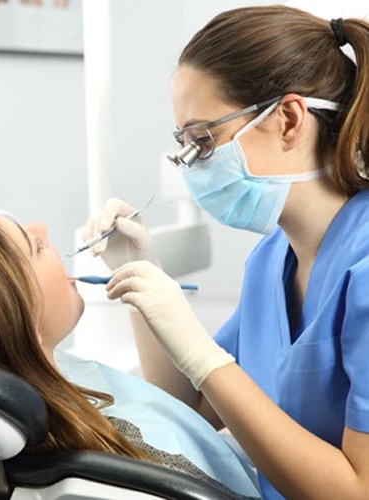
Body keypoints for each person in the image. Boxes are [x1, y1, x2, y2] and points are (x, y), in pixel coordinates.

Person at [81, 5, 369, 499]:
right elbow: (191, 402)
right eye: (184, 145)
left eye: (203, 141)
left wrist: (204, 354)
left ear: (288, 120)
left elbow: (357, 490)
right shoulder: (270, 261)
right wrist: (138, 273)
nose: (190, 167)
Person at [0, 201, 260, 499]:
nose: (42, 227)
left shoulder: (34, 394)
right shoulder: (127, 464)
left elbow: (174, 412)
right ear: (21, 331)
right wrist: (200, 356)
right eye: (35, 246)